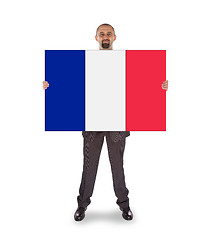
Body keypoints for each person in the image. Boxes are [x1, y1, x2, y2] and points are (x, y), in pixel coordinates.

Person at [43, 23, 168, 221]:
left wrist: (158, 86)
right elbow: (72, 87)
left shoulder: (125, 62)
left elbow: (139, 87)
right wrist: (52, 86)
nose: (105, 36)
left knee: (117, 166)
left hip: (117, 123)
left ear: (115, 37)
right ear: (96, 38)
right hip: (93, 123)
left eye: (108, 33)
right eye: (102, 34)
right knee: (89, 166)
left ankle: (124, 205)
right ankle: (82, 205)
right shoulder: (86, 62)